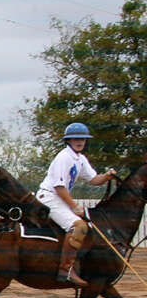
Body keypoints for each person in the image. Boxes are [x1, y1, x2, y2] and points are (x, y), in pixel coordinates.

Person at [35, 122, 116, 287]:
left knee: (86, 226)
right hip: (49, 197)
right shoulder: (64, 157)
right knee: (79, 227)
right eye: (76, 138)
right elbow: (59, 186)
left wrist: (107, 176)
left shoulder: (80, 159)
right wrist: (74, 206)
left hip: (58, 197)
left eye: (83, 139)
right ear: (69, 140)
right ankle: (66, 270)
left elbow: (94, 180)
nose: (80, 141)